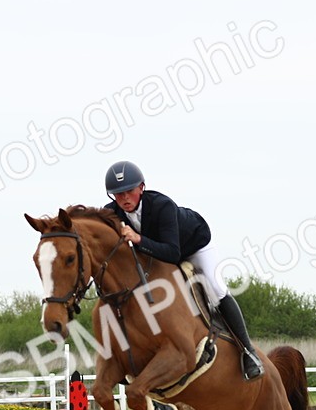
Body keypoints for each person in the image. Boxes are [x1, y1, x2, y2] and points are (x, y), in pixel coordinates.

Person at [103, 160, 264, 381]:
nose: (125, 199)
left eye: (129, 191)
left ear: (142, 187)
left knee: (216, 288)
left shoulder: (162, 205)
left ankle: (248, 353)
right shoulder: (111, 213)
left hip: (193, 245)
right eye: (118, 194)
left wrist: (138, 238)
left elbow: (172, 253)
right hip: (156, 253)